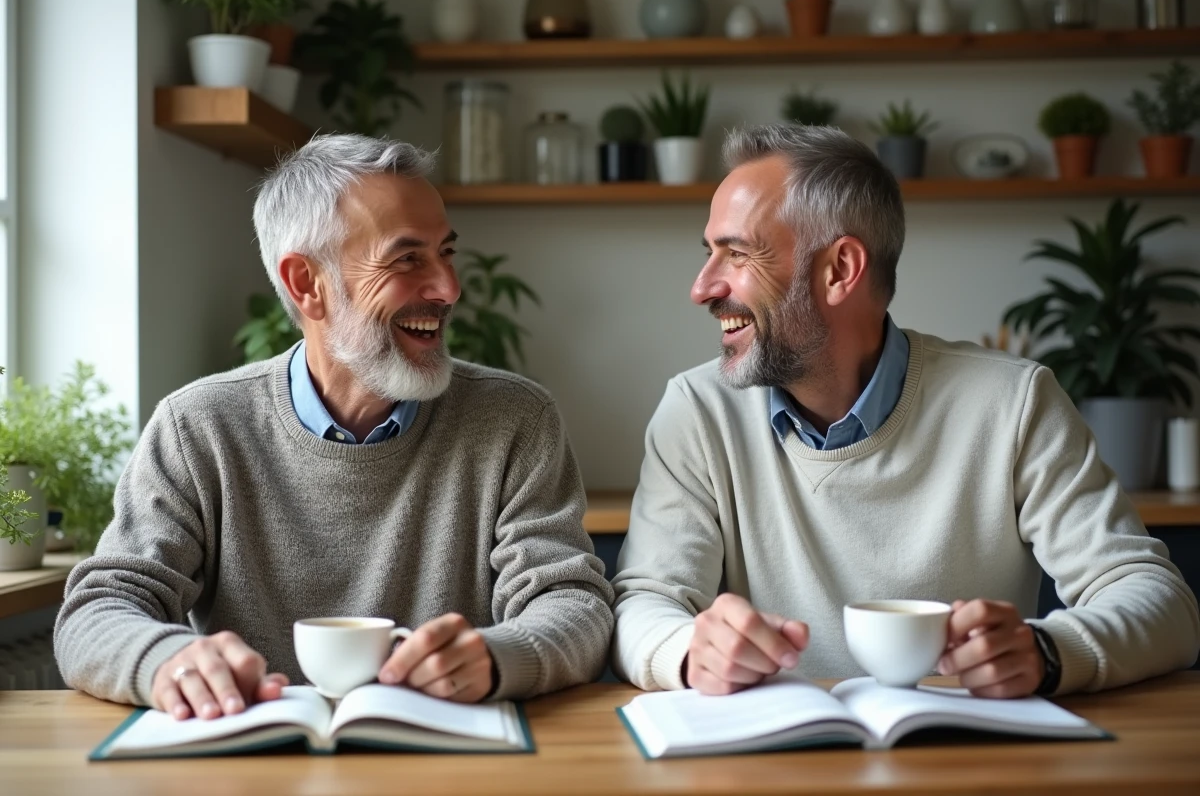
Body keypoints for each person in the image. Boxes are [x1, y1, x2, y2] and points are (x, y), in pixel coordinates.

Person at [611, 124, 1199, 699]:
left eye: (737, 254)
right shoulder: (696, 411)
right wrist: (689, 649)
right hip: (774, 752)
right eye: (710, 253)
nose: (703, 288)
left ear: (839, 270)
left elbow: (1159, 599)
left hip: (968, 751)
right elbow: (644, 602)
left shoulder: (1013, 403)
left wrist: (1048, 652)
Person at [55, 134, 614, 719]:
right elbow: (97, 611)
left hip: (447, 756)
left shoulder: (515, 418)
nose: (449, 288)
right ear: (306, 283)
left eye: (445, 253)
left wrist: (499, 657)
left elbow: (573, 604)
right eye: (407, 259)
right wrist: (167, 661)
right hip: (254, 755)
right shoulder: (198, 427)